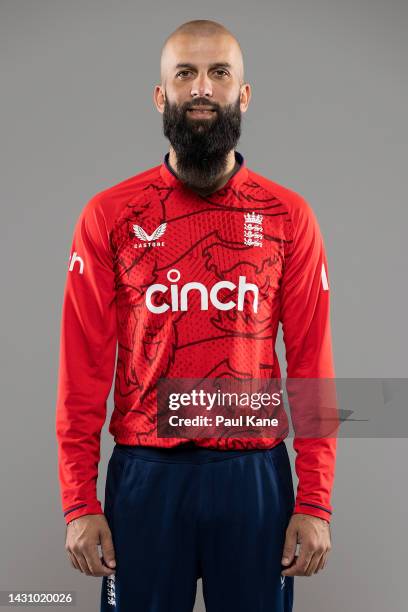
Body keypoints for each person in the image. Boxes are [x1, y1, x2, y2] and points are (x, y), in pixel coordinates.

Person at [55, 19, 337, 612]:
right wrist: (79, 502)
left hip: (254, 480)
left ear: (244, 93)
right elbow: (81, 371)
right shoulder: (110, 215)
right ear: (161, 95)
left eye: (219, 73)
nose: (202, 88)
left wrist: (314, 502)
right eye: (185, 74)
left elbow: (313, 366)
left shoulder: (289, 217)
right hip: (146, 479)